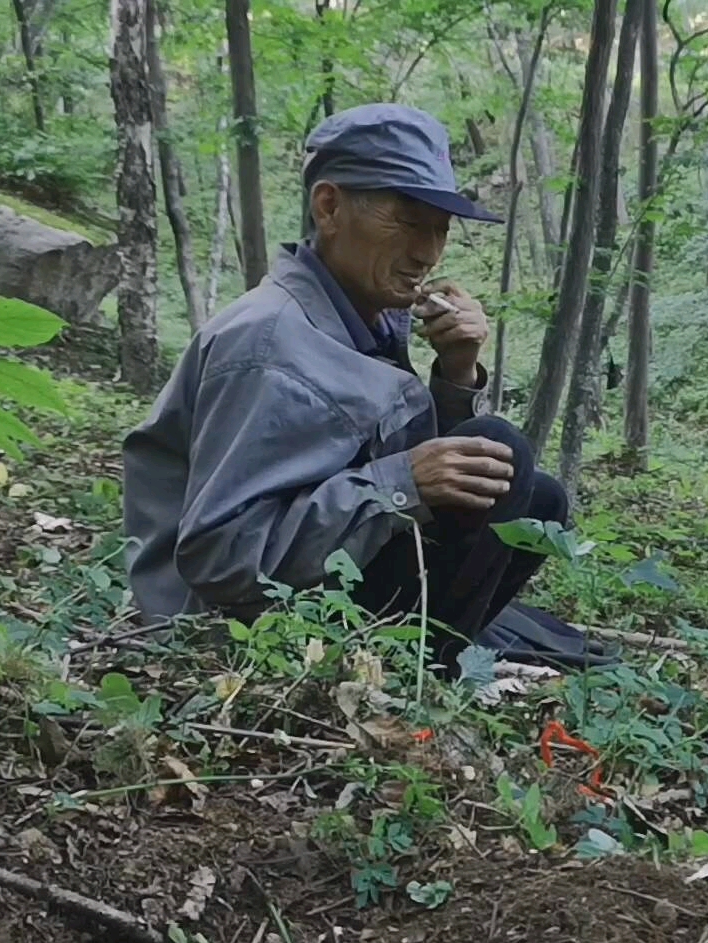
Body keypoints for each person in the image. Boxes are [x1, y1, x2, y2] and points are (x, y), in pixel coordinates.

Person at [121, 103, 570, 668]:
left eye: (441, 229)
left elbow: (423, 478)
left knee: (532, 494)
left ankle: (420, 670)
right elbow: (220, 558)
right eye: (408, 221)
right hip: (224, 631)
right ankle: (411, 681)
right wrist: (400, 481)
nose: (427, 253)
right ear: (329, 207)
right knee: (503, 449)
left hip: (302, 594)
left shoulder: (363, 319)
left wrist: (456, 370)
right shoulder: (266, 344)